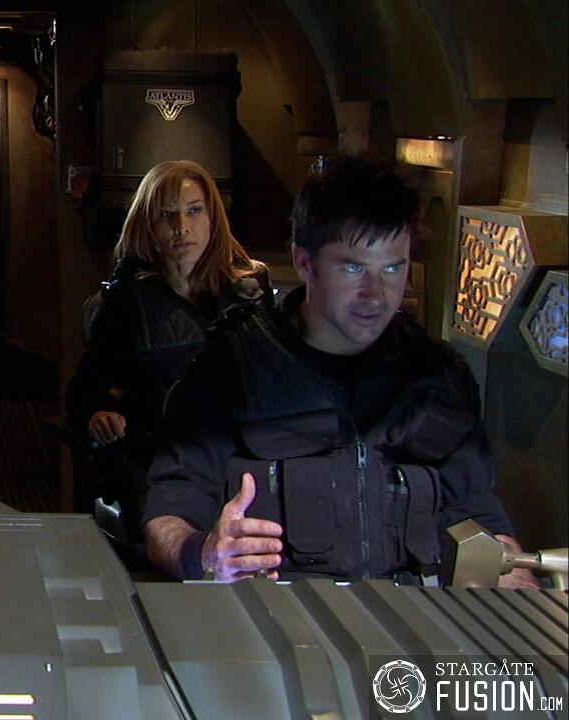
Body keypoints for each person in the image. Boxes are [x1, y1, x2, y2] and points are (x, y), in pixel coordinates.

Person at [142, 154, 539, 588]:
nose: (376, 293)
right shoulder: (229, 370)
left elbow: (484, 525)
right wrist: (206, 554)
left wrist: (523, 601)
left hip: (414, 619)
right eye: (354, 267)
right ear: (304, 262)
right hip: (278, 618)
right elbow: (167, 516)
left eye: (393, 268)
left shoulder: (438, 377)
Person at [65, 160, 269, 543]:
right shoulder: (127, 301)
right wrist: (99, 413)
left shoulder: (250, 292)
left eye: (194, 210)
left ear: (212, 217)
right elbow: (84, 388)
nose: (182, 226)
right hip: (159, 462)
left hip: (241, 456)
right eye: (167, 215)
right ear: (149, 225)